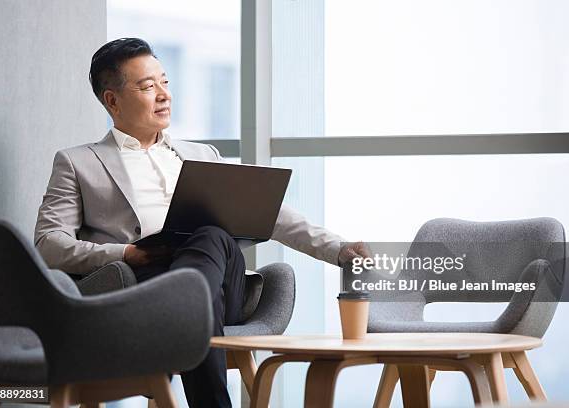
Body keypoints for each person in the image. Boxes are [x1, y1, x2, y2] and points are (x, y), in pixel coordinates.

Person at [34, 37, 368, 408]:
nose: (163, 94)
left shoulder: (201, 155)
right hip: (142, 284)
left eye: (165, 82)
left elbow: (270, 213)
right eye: (147, 86)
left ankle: (188, 308)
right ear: (112, 100)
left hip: (217, 273)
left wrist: (337, 249)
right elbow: (49, 244)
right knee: (199, 292)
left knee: (209, 235)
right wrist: (126, 253)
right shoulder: (78, 162)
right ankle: (192, 317)